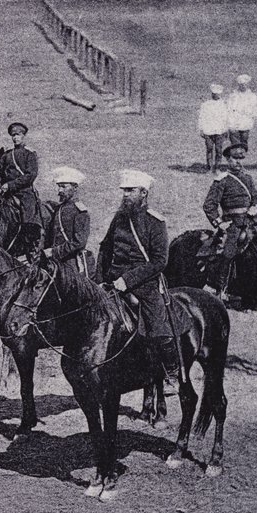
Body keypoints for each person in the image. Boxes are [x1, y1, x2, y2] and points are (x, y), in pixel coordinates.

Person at [97, 170, 180, 400]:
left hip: (143, 281)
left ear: (143, 193)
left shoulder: (155, 221)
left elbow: (159, 261)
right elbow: (105, 247)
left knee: (157, 326)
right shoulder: (119, 218)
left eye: (130, 191)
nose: (125, 195)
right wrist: (99, 280)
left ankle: (170, 371)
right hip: (114, 278)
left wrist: (128, 280)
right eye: (124, 191)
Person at [202, 143, 257, 293]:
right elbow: (209, 205)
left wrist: (255, 206)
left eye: (241, 158)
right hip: (232, 224)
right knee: (228, 253)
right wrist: (219, 223)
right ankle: (222, 289)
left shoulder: (247, 178)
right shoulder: (222, 180)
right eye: (235, 158)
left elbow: (256, 198)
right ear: (228, 159)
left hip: (250, 222)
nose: (238, 162)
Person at [0, 122, 40, 243]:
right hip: (6, 192)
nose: (15, 138)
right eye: (13, 135)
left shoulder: (30, 154)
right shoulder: (7, 154)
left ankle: (31, 245)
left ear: (24, 136)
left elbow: (31, 175)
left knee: (29, 217)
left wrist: (10, 185)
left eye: (18, 135)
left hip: (24, 192)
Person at [43, 167, 91, 275]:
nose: (60, 191)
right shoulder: (59, 209)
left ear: (75, 187)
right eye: (59, 187)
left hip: (71, 264)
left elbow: (79, 242)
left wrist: (53, 252)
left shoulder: (80, 211)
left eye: (64, 187)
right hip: (54, 262)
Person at [198, 84, 229, 172]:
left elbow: (226, 118)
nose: (216, 95)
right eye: (214, 94)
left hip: (220, 130)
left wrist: (226, 129)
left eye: (217, 94)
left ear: (220, 94)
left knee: (219, 149)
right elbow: (201, 117)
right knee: (209, 148)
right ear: (212, 94)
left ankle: (217, 167)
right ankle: (209, 166)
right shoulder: (206, 104)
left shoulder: (224, 104)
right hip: (208, 130)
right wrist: (201, 129)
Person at [225, 74, 257, 152]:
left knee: (244, 141)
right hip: (234, 121)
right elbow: (228, 108)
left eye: (245, 84)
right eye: (241, 84)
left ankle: (241, 157)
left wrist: (253, 119)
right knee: (234, 142)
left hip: (245, 121)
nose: (243, 86)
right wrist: (229, 122)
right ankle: (236, 160)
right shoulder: (233, 95)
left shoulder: (252, 96)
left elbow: (255, 109)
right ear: (238, 85)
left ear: (248, 84)